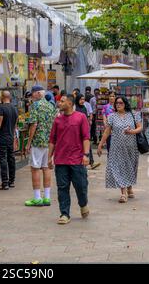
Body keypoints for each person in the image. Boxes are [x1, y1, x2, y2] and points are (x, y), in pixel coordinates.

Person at [48, 94, 90, 225]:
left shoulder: (81, 117)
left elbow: (86, 137)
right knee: (62, 188)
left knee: (81, 185)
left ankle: (83, 204)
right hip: (60, 160)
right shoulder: (57, 120)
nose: (59, 103)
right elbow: (52, 140)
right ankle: (64, 213)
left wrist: (86, 155)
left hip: (77, 159)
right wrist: (49, 157)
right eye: (59, 101)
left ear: (70, 103)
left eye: (62, 101)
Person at [97, 96, 142, 203]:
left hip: (131, 147)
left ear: (125, 104)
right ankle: (123, 193)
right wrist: (100, 144)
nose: (118, 105)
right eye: (117, 103)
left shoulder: (134, 114)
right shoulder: (112, 117)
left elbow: (140, 127)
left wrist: (132, 132)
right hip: (116, 148)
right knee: (120, 168)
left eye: (121, 103)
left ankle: (129, 187)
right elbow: (107, 131)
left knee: (131, 167)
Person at [25, 85, 56, 207]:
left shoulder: (35, 106)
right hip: (49, 142)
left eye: (33, 93)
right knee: (46, 168)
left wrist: (28, 143)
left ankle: (37, 197)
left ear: (38, 93)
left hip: (37, 142)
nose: (32, 96)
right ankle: (47, 197)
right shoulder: (50, 105)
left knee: (35, 168)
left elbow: (33, 125)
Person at [0, 91, 18, 190]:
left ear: (2, 97)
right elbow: (15, 125)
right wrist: (14, 136)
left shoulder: (1, 108)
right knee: (11, 159)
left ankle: (4, 183)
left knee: (3, 159)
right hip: (10, 137)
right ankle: (12, 181)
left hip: (2, 138)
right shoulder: (14, 109)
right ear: (10, 97)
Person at [75, 94, 100, 170]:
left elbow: (87, 117)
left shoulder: (84, 108)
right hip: (77, 131)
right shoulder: (75, 108)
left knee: (88, 146)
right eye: (81, 99)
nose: (82, 101)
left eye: (83, 99)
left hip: (84, 130)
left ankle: (91, 162)